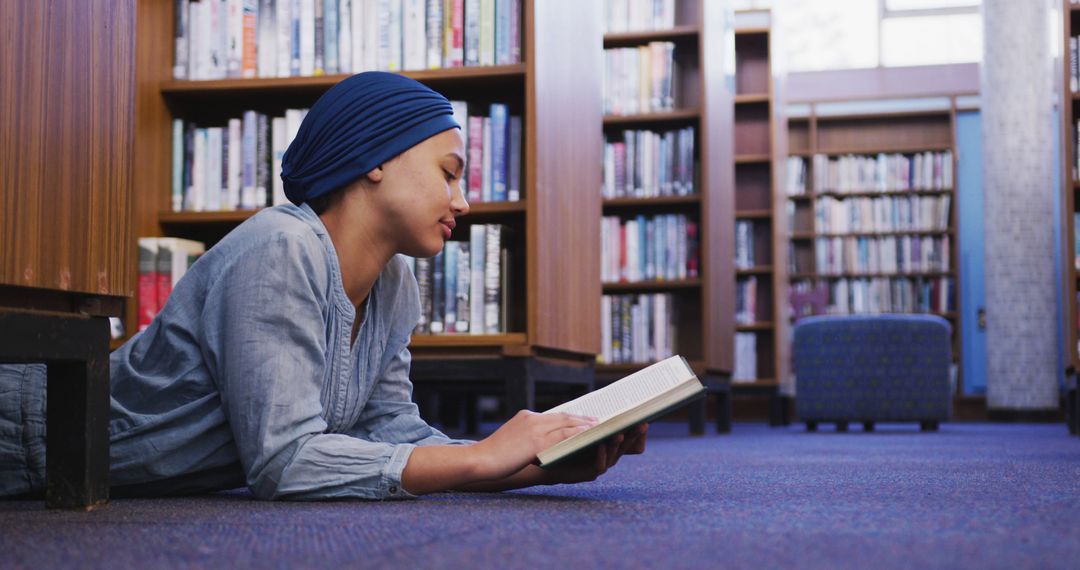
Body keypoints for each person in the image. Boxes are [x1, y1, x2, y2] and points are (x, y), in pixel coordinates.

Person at [0, 72, 647, 500]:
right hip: (24, 442)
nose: (464, 201)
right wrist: (479, 461)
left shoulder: (396, 282)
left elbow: (389, 430)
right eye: (450, 174)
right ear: (376, 157)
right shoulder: (279, 249)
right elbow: (285, 462)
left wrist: (519, 465)